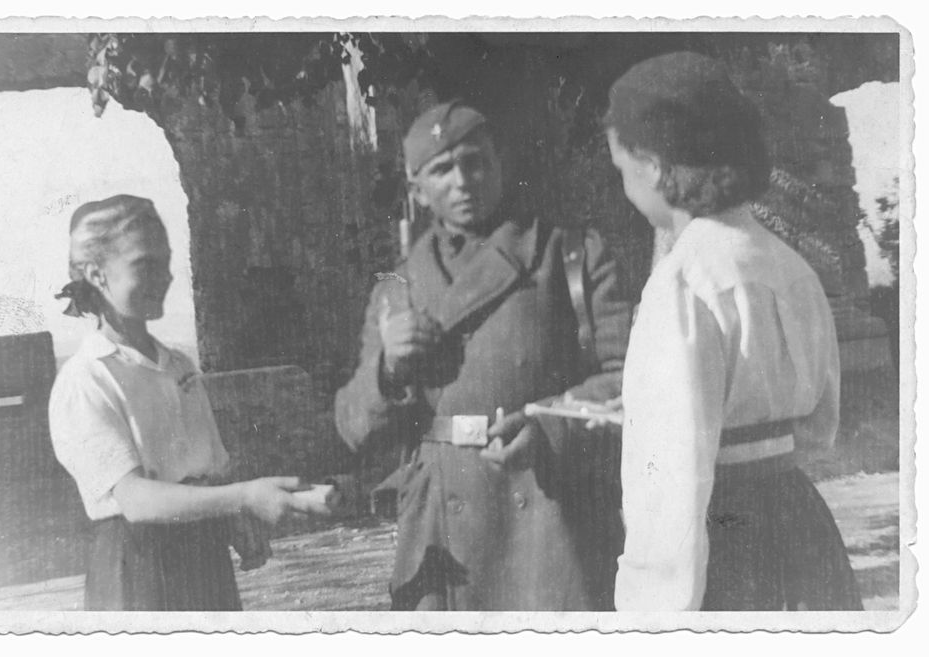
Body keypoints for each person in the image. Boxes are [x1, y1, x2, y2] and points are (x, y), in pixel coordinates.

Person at [335, 101, 633, 610]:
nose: (462, 181)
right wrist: (387, 369)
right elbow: (352, 427)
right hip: (443, 531)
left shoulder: (569, 253)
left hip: (548, 513)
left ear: (500, 164)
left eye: (475, 162)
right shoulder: (397, 286)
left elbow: (627, 377)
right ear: (417, 190)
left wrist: (549, 428)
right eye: (442, 170)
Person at [603, 52, 863, 611]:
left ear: (653, 167)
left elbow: (671, 478)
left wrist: (654, 611)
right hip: (800, 524)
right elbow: (820, 426)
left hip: (726, 539)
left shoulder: (682, 283)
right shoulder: (792, 268)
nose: (625, 187)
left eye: (622, 169)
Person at [48, 195, 331, 611]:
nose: (164, 277)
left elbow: (206, 470)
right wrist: (243, 497)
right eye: (146, 264)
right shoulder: (86, 381)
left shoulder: (178, 365)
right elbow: (136, 500)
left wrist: (234, 519)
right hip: (138, 571)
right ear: (96, 274)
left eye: (166, 262)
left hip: (204, 560)